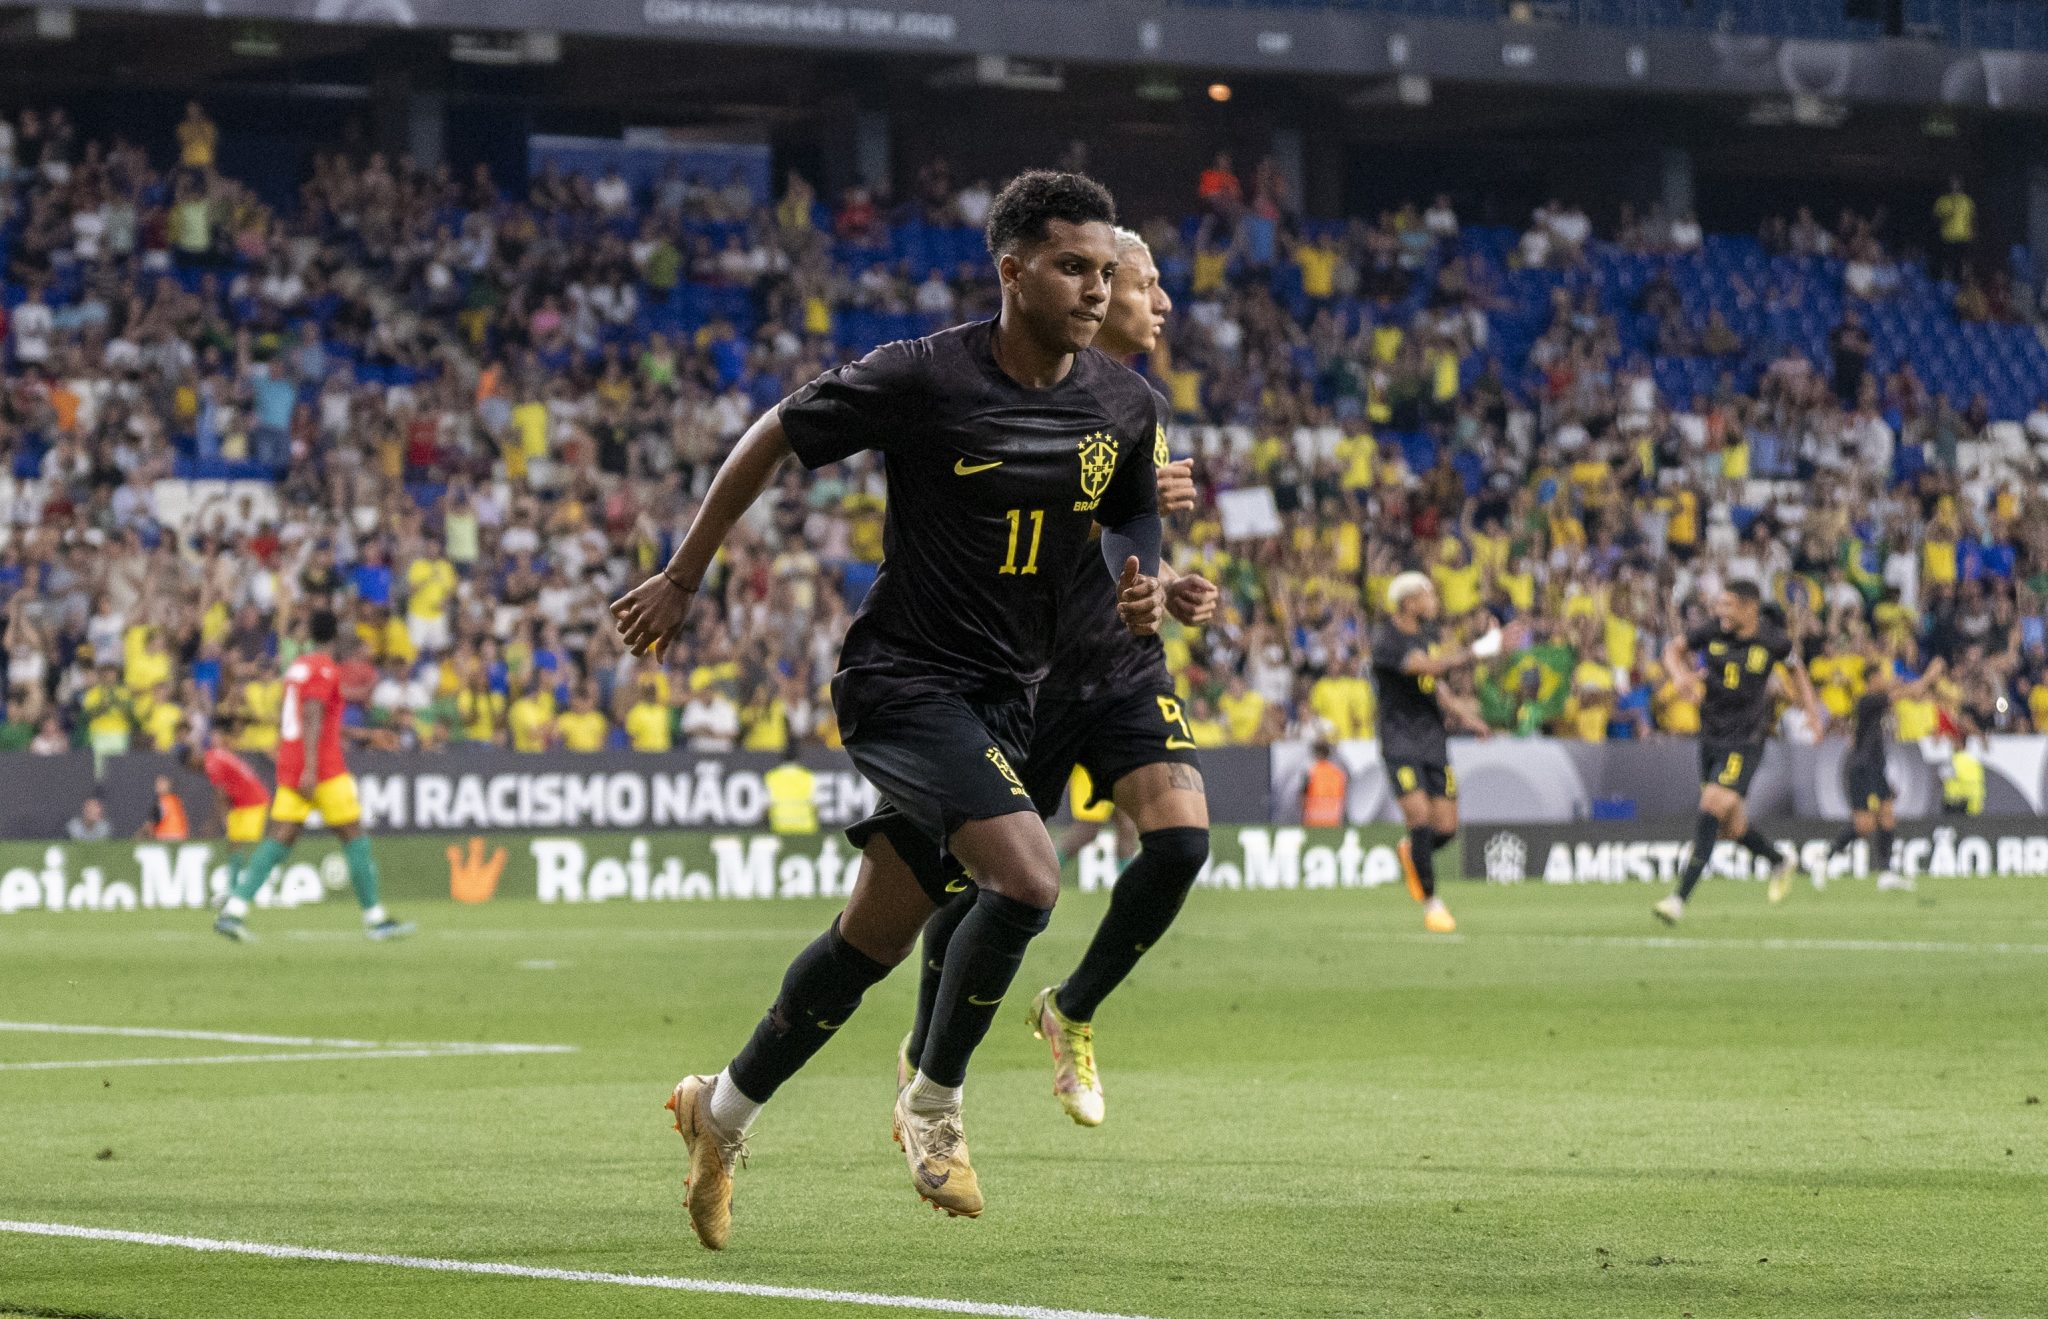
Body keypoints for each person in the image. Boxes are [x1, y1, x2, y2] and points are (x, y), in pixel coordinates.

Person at [609, 170, 1164, 1242]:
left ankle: (716, 1110)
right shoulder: (923, 376)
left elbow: (1133, 505)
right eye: (1071, 267)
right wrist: (684, 574)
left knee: (867, 941)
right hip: (901, 681)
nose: (1095, 290)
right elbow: (772, 433)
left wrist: (1139, 575)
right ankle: (933, 1104)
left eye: (1105, 271)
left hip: (1007, 697)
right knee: (1028, 875)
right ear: (1012, 271)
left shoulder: (1122, 403)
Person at [876, 225, 1220, 1131]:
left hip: (1122, 666)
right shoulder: (1000, 392)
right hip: (1020, 676)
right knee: (987, 891)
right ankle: (925, 1059)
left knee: (1182, 842)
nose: (1158, 304)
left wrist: (1166, 583)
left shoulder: (1135, 407)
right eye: (1145, 284)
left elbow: (1120, 540)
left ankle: (1070, 1009)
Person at [213, 609, 414, 943]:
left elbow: (315, 718)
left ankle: (234, 910)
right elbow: (312, 714)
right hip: (320, 768)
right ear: (336, 636)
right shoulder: (324, 668)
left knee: (281, 837)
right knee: (353, 834)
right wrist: (310, 766)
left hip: (293, 764)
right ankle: (376, 920)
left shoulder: (299, 667)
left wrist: (364, 735)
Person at [1654, 586, 1824, 923]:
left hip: (1745, 739)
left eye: (1728, 605)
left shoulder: (1773, 641)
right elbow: (1673, 650)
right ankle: (1778, 860)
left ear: (1750, 608)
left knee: (1711, 806)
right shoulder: (1713, 631)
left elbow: (1797, 670)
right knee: (1731, 828)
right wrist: (1681, 675)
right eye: (1719, 604)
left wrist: (1812, 712)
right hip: (1711, 736)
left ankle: (1678, 898)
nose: (1721, 611)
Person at [1373, 573, 1512, 935]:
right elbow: (1429, 667)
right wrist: (1482, 648)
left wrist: (1470, 720)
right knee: (1419, 818)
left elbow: (1436, 687)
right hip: (1400, 741)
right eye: (1427, 594)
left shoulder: (1425, 637)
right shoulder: (1387, 640)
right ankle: (1433, 905)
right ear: (1408, 602)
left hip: (1433, 741)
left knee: (1446, 828)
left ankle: (1412, 854)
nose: (1434, 599)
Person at [1814, 658, 1944, 894]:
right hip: (1862, 767)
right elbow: (1905, 693)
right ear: (1871, 680)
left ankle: (1886, 873)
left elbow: (1904, 694)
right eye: (1880, 677)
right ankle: (1824, 858)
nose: (1883, 680)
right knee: (1863, 825)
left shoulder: (1876, 702)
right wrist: (1929, 675)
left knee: (1887, 818)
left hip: (1875, 766)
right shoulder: (1867, 701)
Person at [187, 726, 270, 901]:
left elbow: (220, 794)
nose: (194, 771)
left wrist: (223, 821)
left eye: (191, 767)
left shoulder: (211, 763)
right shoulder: (215, 755)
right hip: (241, 803)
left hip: (252, 802)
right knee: (235, 844)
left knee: (249, 846)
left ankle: (257, 888)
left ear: (192, 759)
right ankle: (234, 890)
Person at [763, 745, 818, 835]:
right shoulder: (808, 776)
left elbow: (765, 807)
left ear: (781, 759)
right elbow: (816, 806)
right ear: (798, 758)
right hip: (805, 830)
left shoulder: (772, 777)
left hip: (780, 829)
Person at [1302, 740, 1347, 828]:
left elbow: (1303, 795)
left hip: (1314, 819)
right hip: (1334, 819)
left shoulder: (1311, 771)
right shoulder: (1338, 772)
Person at [138, 775, 191, 841]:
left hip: (166, 834)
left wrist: (146, 829)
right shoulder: (175, 799)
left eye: (160, 784)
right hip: (180, 834)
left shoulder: (164, 801)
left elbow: (157, 817)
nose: (157, 786)